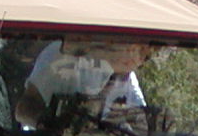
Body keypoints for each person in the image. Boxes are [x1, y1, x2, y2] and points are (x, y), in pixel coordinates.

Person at [16, 36, 151, 128]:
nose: (138, 58)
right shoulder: (65, 56)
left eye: (145, 56)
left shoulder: (127, 79)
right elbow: (24, 110)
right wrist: (51, 126)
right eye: (136, 49)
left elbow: (142, 123)